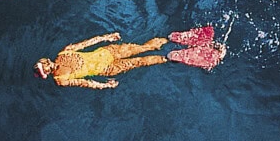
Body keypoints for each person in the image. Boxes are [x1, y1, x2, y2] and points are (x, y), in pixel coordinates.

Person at [33, 26, 226, 89]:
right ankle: (172, 56)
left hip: (108, 52)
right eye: (45, 68)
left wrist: (106, 37)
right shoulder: (61, 79)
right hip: (107, 69)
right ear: (46, 74)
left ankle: (173, 39)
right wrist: (104, 85)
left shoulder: (63, 53)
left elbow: (86, 43)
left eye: (43, 63)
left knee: (142, 47)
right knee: (141, 61)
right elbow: (85, 82)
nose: (47, 65)